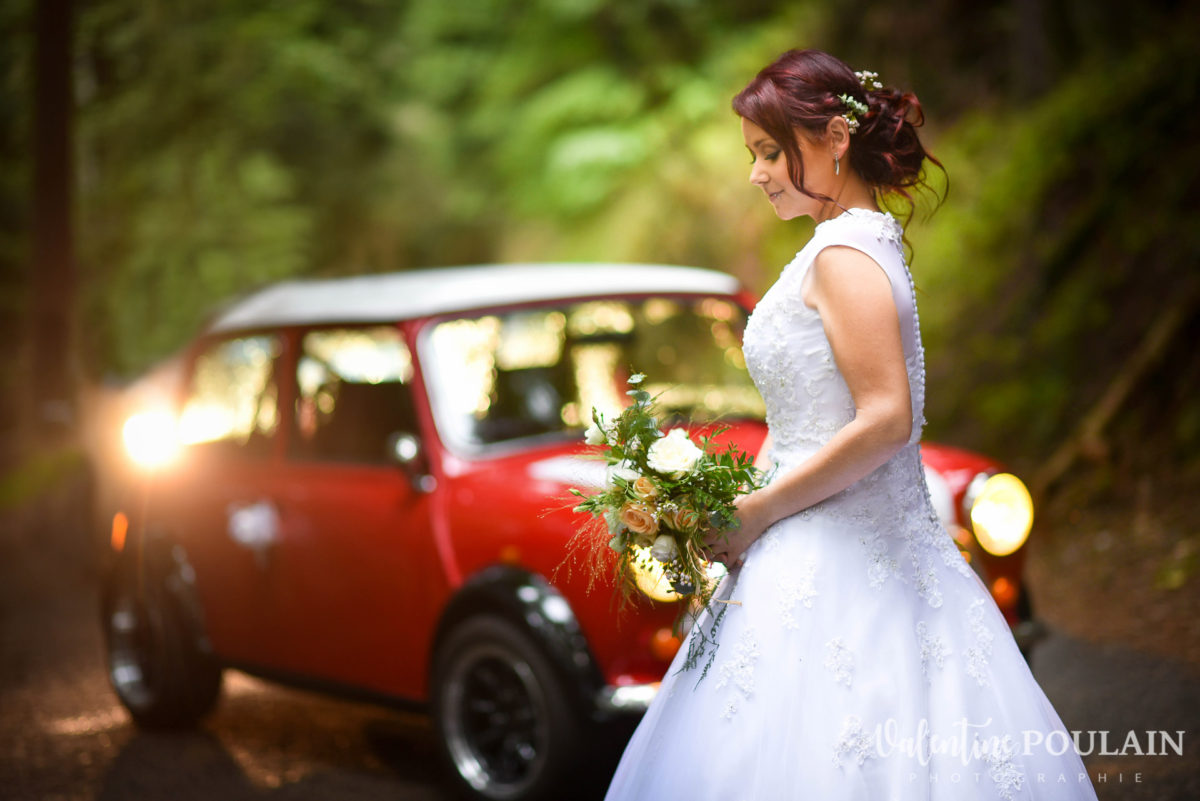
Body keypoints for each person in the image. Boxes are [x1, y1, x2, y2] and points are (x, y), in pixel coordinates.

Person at [603, 49, 1098, 800]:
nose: (756, 173)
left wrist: (757, 510)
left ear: (836, 137)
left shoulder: (843, 256)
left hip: (837, 554)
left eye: (771, 152)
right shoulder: (852, 243)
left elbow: (888, 418)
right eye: (752, 154)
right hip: (815, 542)